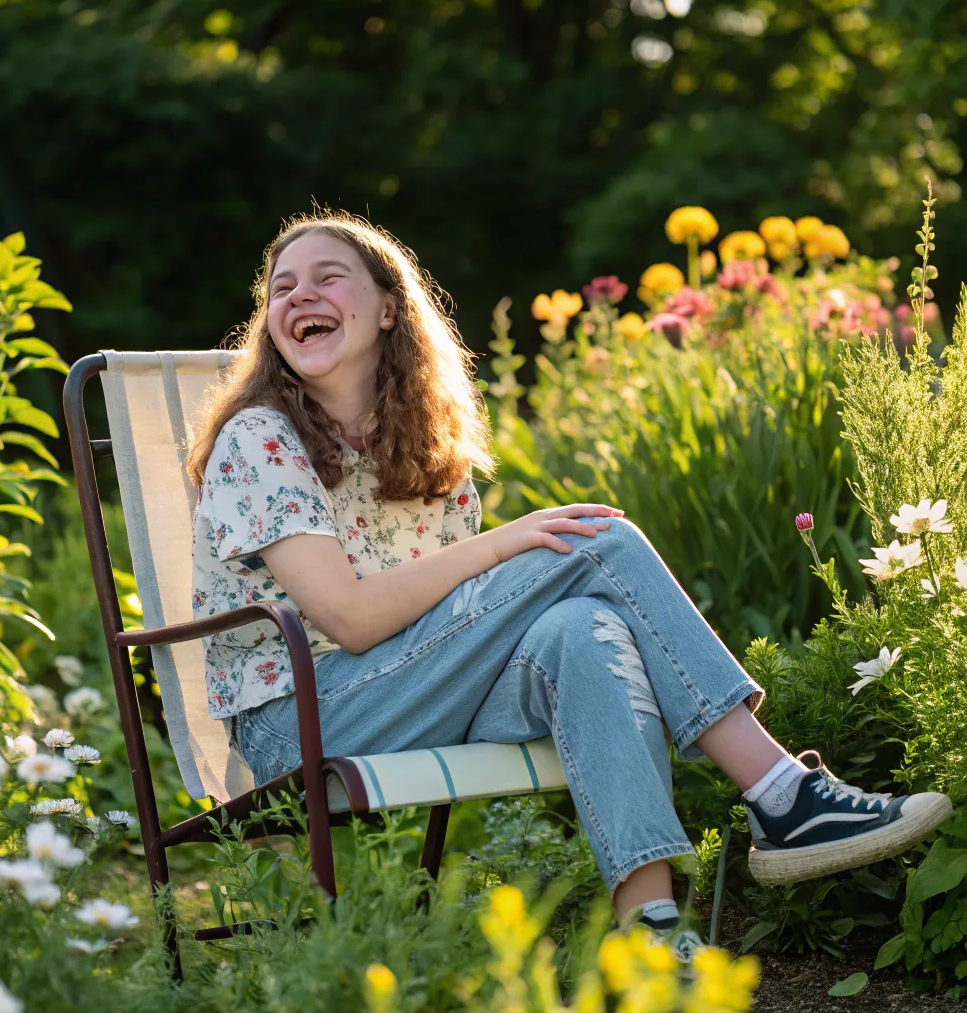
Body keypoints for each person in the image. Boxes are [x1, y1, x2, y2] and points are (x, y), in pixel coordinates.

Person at [186, 210, 951, 959]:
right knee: (597, 543)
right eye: (282, 288)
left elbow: (445, 624)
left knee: (583, 631)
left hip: (412, 693)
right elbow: (350, 618)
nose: (300, 296)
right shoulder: (259, 436)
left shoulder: (420, 449)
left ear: (389, 309)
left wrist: (506, 562)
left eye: (327, 277)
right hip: (302, 721)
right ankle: (781, 793)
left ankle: (651, 930)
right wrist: (504, 543)